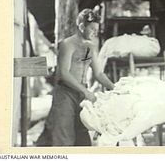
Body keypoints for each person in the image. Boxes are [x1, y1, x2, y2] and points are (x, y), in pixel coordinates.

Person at [36, 8, 115, 146]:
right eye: (92, 29)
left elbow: (98, 73)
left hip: (82, 95)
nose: (95, 32)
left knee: (82, 139)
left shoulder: (91, 46)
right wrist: (86, 92)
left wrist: (115, 88)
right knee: (63, 137)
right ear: (82, 26)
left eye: (97, 29)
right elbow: (64, 74)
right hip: (65, 94)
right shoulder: (67, 44)